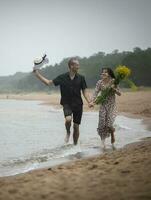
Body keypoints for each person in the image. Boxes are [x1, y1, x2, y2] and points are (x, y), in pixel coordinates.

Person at [33, 58, 91, 145]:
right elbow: (48, 83)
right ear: (71, 66)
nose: (78, 67)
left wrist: (89, 101)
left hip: (78, 104)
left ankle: (75, 146)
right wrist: (37, 75)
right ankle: (68, 132)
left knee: (76, 126)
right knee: (68, 119)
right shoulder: (62, 77)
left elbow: (85, 91)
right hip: (66, 103)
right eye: (77, 65)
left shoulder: (81, 78)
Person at [89, 68, 121, 149]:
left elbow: (119, 93)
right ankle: (103, 142)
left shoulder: (114, 81)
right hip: (103, 104)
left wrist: (114, 89)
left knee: (109, 124)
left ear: (109, 74)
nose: (103, 74)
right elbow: (95, 92)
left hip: (111, 105)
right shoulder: (99, 82)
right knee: (102, 123)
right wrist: (92, 102)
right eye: (102, 72)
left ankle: (112, 134)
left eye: (105, 72)